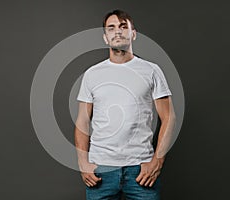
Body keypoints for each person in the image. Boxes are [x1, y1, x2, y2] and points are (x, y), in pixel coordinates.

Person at [74, 9, 176, 200]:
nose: (118, 32)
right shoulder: (92, 74)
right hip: (100, 170)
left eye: (123, 27)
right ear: (105, 38)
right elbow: (82, 121)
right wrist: (83, 163)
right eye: (111, 28)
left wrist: (157, 162)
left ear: (133, 34)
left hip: (140, 171)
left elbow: (169, 117)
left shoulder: (151, 71)